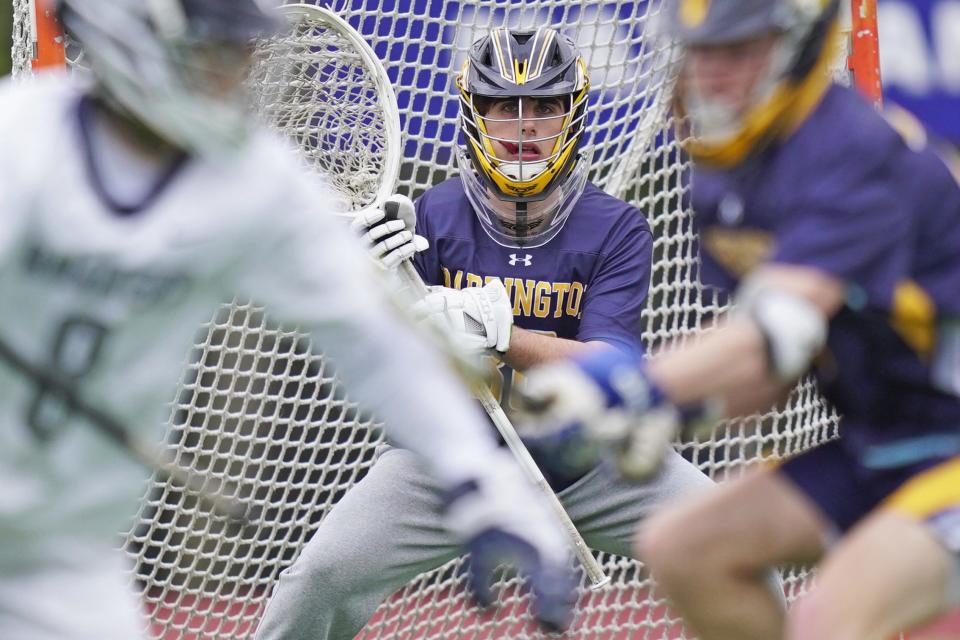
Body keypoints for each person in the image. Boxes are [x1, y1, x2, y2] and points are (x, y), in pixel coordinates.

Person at [0, 1, 580, 637]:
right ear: (135, 36)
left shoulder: (254, 182)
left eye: (243, 53)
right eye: (219, 52)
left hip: (62, 557)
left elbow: (375, 345)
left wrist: (475, 480)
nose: (239, 75)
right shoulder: (21, 139)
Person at [255, 26, 719, 640]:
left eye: (544, 107)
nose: (524, 125)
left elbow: (613, 374)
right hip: (445, 464)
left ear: (572, 115)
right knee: (319, 578)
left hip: (590, 463)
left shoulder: (617, 228)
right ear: (476, 114)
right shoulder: (427, 218)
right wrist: (374, 287)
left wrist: (502, 332)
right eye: (506, 107)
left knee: (730, 545)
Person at [518, 1, 960, 639]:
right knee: (685, 549)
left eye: (737, 49)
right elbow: (772, 375)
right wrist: (670, 413)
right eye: (700, 53)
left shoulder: (855, 150)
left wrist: (623, 385)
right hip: (886, 445)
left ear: (799, 44)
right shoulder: (728, 172)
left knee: (829, 619)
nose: (712, 73)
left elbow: (773, 329)